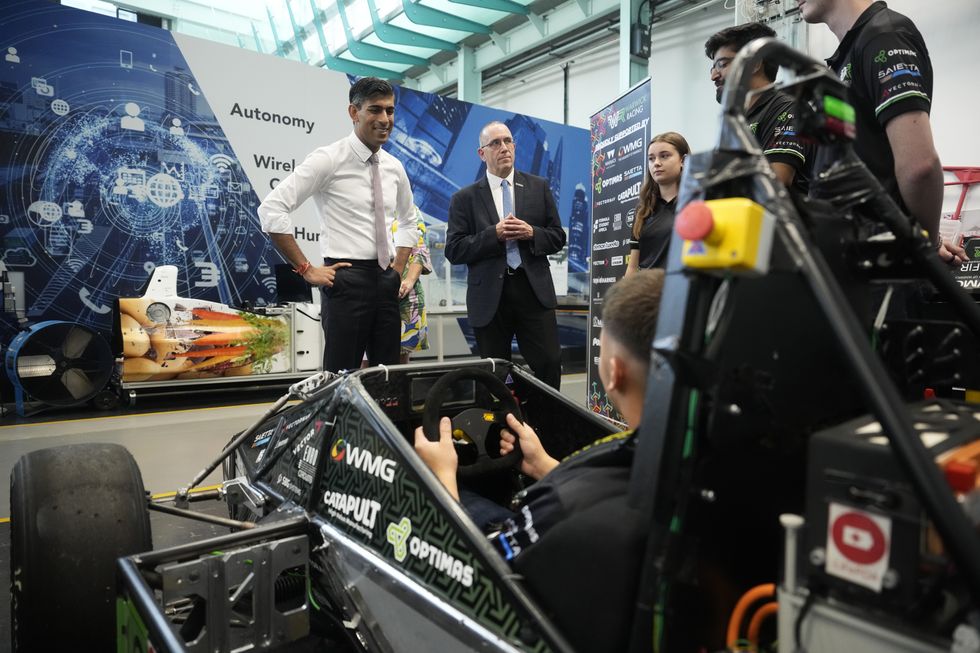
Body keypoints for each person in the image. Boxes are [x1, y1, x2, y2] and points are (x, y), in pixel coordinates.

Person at [413, 268, 664, 543]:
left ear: (615, 373)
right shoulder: (660, 462)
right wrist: (542, 465)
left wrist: (442, 479)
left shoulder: (559, 507)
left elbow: (481, 571)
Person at [258, 77, 418, 371]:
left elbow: (409, 220)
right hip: (345, 280)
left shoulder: (395, 167)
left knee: (388, 379)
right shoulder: (328, 160)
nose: (385, 119)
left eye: (390, 111)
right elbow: (271, 209)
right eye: (375, 110)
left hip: (386, 281)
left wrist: (397, 270)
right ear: (353, 113)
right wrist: (306, 269)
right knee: (339, 376)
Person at [798, 0, 966, 263]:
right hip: (852, 257)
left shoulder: (883, 37)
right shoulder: (848, 55)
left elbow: (920, 168)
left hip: (879, 265)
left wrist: (927, 245)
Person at [446, 121, 566, 390]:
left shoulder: (539, 187)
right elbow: (454, 249)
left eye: (508, 141)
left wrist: (532, 233)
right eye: (495, 143)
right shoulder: (464, 198)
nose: (504, 148)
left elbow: (558, 237)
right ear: (482, 153)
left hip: (532, 291)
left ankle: (545, 427)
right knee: (494, 374)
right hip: (490, 298)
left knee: (549, 361)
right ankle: (502, 428)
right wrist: (494, 234)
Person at [705, 22, 815, 193]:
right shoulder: (737, 120)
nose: (713, 76)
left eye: (723, 64)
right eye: (713, 68)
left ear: (755, 64)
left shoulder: (787, 108)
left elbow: (776, 181)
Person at [625, 132, 690, 275]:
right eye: (651, 158)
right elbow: (632, 267)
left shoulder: (696, 203)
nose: (656, 163)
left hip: (684, 290)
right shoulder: (642, 210)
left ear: (683, 161)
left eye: (664, 156)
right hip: (648, 292)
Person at [396, 208, 432, 364]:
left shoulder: (410, 209)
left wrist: (409, 281)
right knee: (364, 361)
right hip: (367, 289)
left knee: (400, 358)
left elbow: (420, 250)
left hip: (404, 295)